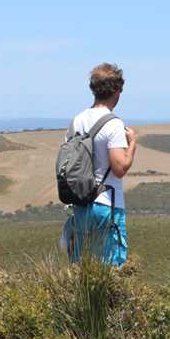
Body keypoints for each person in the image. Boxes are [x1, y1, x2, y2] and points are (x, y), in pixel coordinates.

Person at [61, 63, 137, 267]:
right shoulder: (113, 124)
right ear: (116, 91)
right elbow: (119, 168)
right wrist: (132, 145)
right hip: (106, 203)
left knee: (82, 268)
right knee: (112, 269)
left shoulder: (76, 121)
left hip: (80, 204)